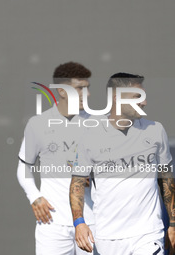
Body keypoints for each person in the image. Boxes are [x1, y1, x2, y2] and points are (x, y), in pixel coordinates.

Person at [69, 73, 175, 254]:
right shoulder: (90, 135)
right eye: (138, 97)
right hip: (107, 238)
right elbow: (77, 183)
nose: (144, 102)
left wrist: (172, 224)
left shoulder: (156, 130)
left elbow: (166, 179)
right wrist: (79, 223)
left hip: (148, 234)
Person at [17, 62, 96, 255]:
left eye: (87, 88)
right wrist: (34, 196)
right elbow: (23, 167)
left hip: (91, 221)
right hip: (51, 223)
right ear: (62, 91)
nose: (87, 94)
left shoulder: (98, 123)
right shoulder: (38, 124)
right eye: (80, 88)